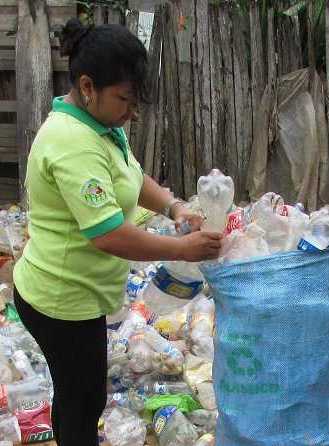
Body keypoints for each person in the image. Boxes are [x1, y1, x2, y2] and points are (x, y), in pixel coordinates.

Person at [12, 19, 222, 446]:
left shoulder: (102, 127)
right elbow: (108, 233)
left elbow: (131, 177)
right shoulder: (72, 142)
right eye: (124, 99)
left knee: (84, 392)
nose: (132, 112)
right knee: (81, 401)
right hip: (59, 299)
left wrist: (173, 206)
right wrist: (182, 249)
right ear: (87, 87)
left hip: (80, 291)